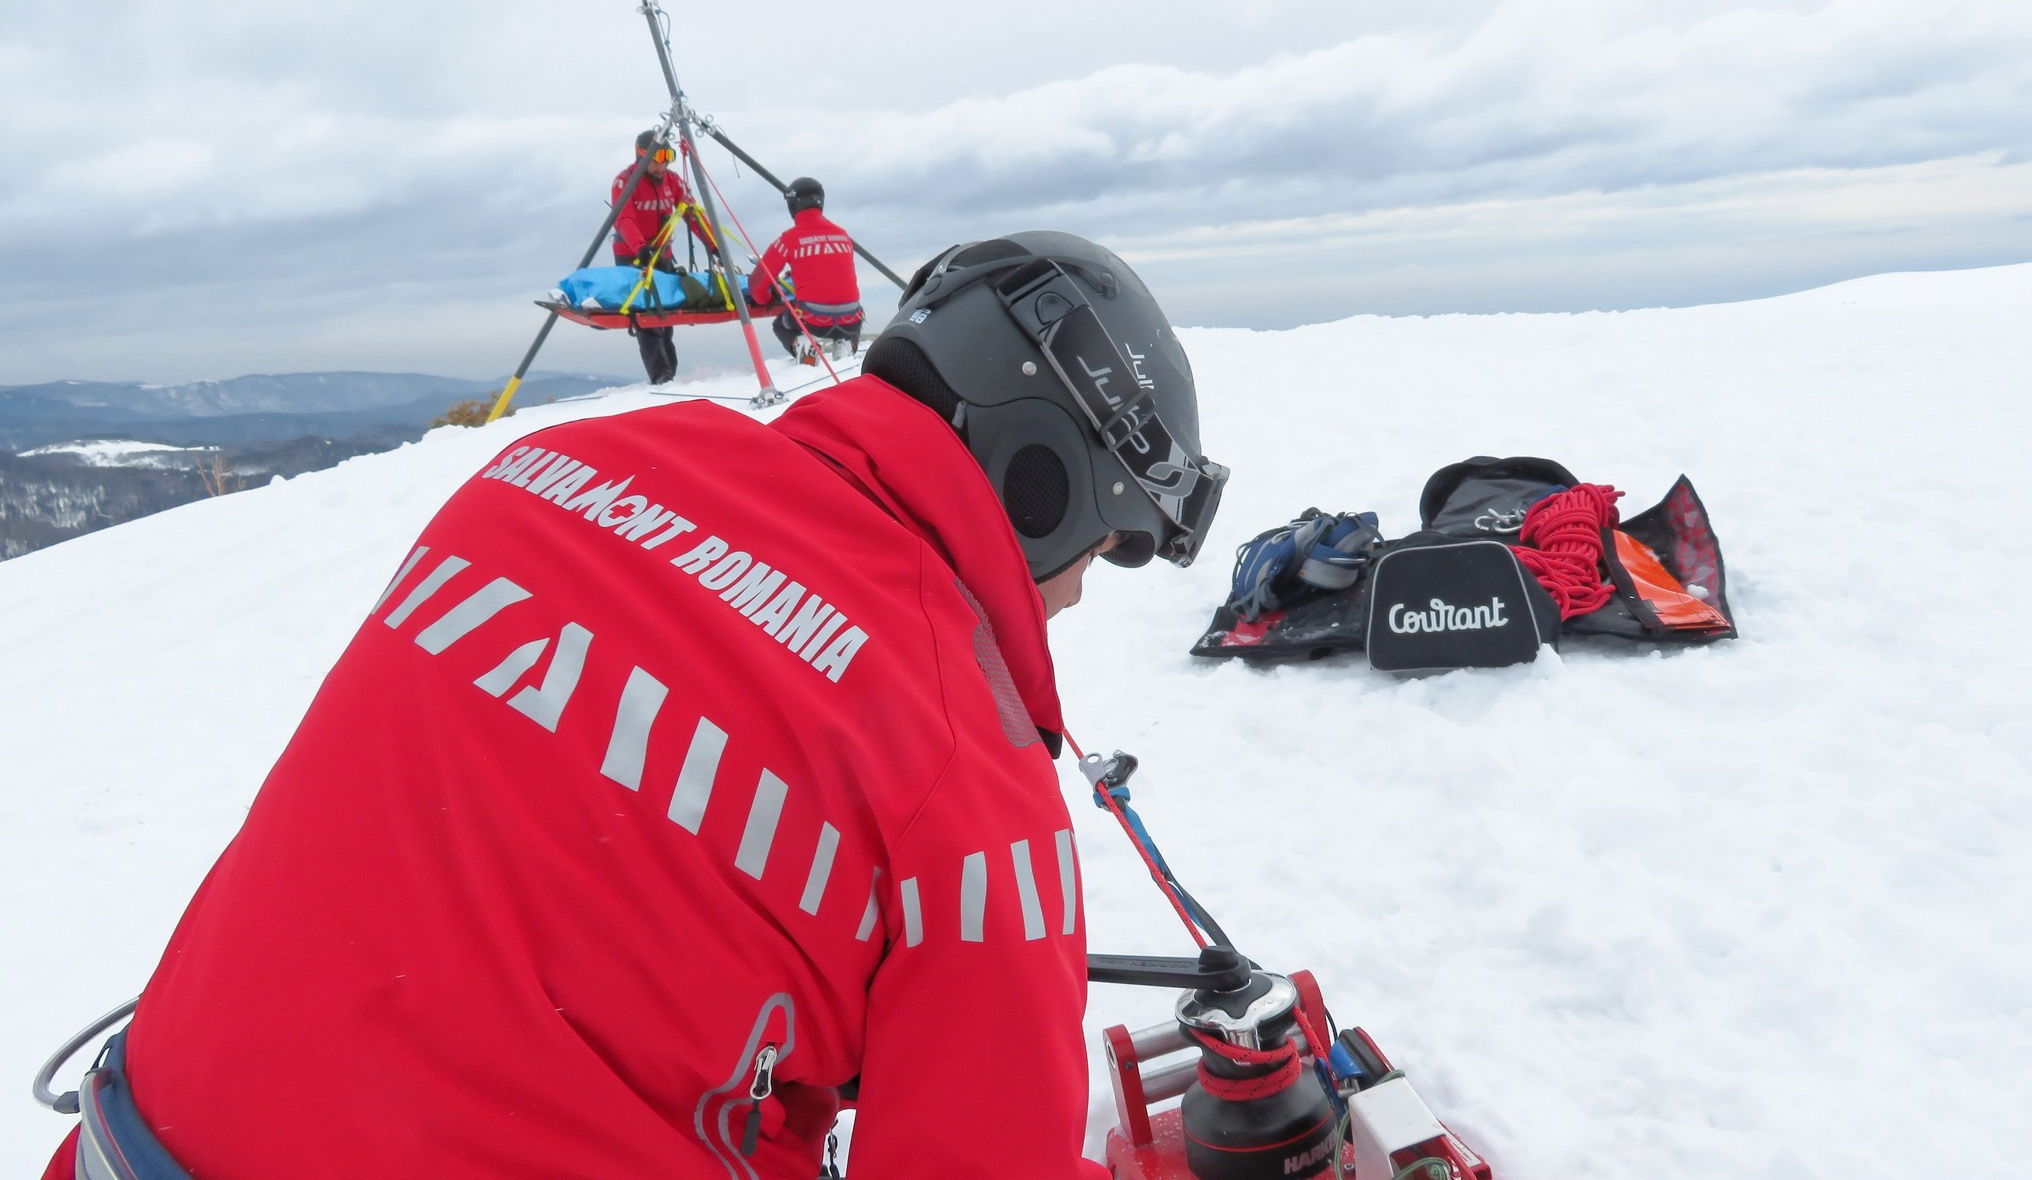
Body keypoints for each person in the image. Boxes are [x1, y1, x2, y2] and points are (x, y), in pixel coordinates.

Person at [41, 231, 1227, 1179]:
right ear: (1046, 488)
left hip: (129, 1136)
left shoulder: (551, 476)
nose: (1077, 589)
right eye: (1106, 546)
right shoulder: (970, 797)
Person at [612, 128, 711, 385]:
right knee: (647, 319)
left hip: (663, 255)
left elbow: (692, 215)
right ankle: (661, 376)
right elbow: (624, 218)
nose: (663, 165)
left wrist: (713, 245)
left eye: (668, 157)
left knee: (665, 316)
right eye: (658, 158)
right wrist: (640, 248)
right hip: (633, 258)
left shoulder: (673, 181)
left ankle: (671, 372)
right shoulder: (626, 182)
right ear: (643, 157)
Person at [748, 177, 865, 363]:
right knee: (852, 314)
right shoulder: (842, 235)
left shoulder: (789, 239)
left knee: (781, 325)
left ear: (792, 205)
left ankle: (803, 348)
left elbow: (757, 284)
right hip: (850, 318)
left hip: (813, 321)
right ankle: (847, 345)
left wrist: (765, 299)